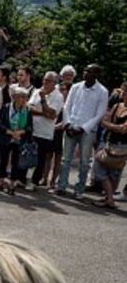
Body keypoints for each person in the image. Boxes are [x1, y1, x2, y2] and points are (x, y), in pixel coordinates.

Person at [53, 64, 108, 198]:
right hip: (71, 127)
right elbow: (67, 106)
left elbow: (100, 113)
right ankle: (62, 186)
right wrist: (67, 124)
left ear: (96, 74)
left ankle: (79, 189)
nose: (85, 73)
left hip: (87, 131)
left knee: (84, 162)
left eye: (89, 71)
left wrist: (83, 128)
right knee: (65, 160)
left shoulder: (102, 91)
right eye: (85, 70)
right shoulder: (76, 87)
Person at [0, 86, 35, 195]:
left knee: (15, 162)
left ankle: (12, 183)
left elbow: (30, 127)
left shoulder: (28, 111)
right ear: (15, 97)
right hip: (6, 137)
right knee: (3, 160)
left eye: (26, 97)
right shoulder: (6, 108)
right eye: (22, 97)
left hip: (19, 139)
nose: (24, 99)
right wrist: (10, 132)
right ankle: (1, 181)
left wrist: (21, 132)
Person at [90, 86, 127, 208]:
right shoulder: (117, 106)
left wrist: (110, 125)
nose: (122, 93)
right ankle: (110, 198)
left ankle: (108, 199)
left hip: (122, 146)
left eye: (125, 91)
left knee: (114, 174)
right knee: (99, 169)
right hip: (109, 143)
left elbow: (124, 130)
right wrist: (115, 127)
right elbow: (104, 121)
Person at [27, 71, 64, 188]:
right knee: (26, 154)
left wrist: (43, 100)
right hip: (32, 128)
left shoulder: (58, 96)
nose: (45, 82)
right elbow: (29, 107)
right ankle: (21, 178)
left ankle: (35, 181)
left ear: (54, 83)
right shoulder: (37, 91)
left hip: (45, 132)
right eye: (44, 79)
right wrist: (43, 113)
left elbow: (53, 114)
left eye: (48, 81)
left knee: (41, 158)